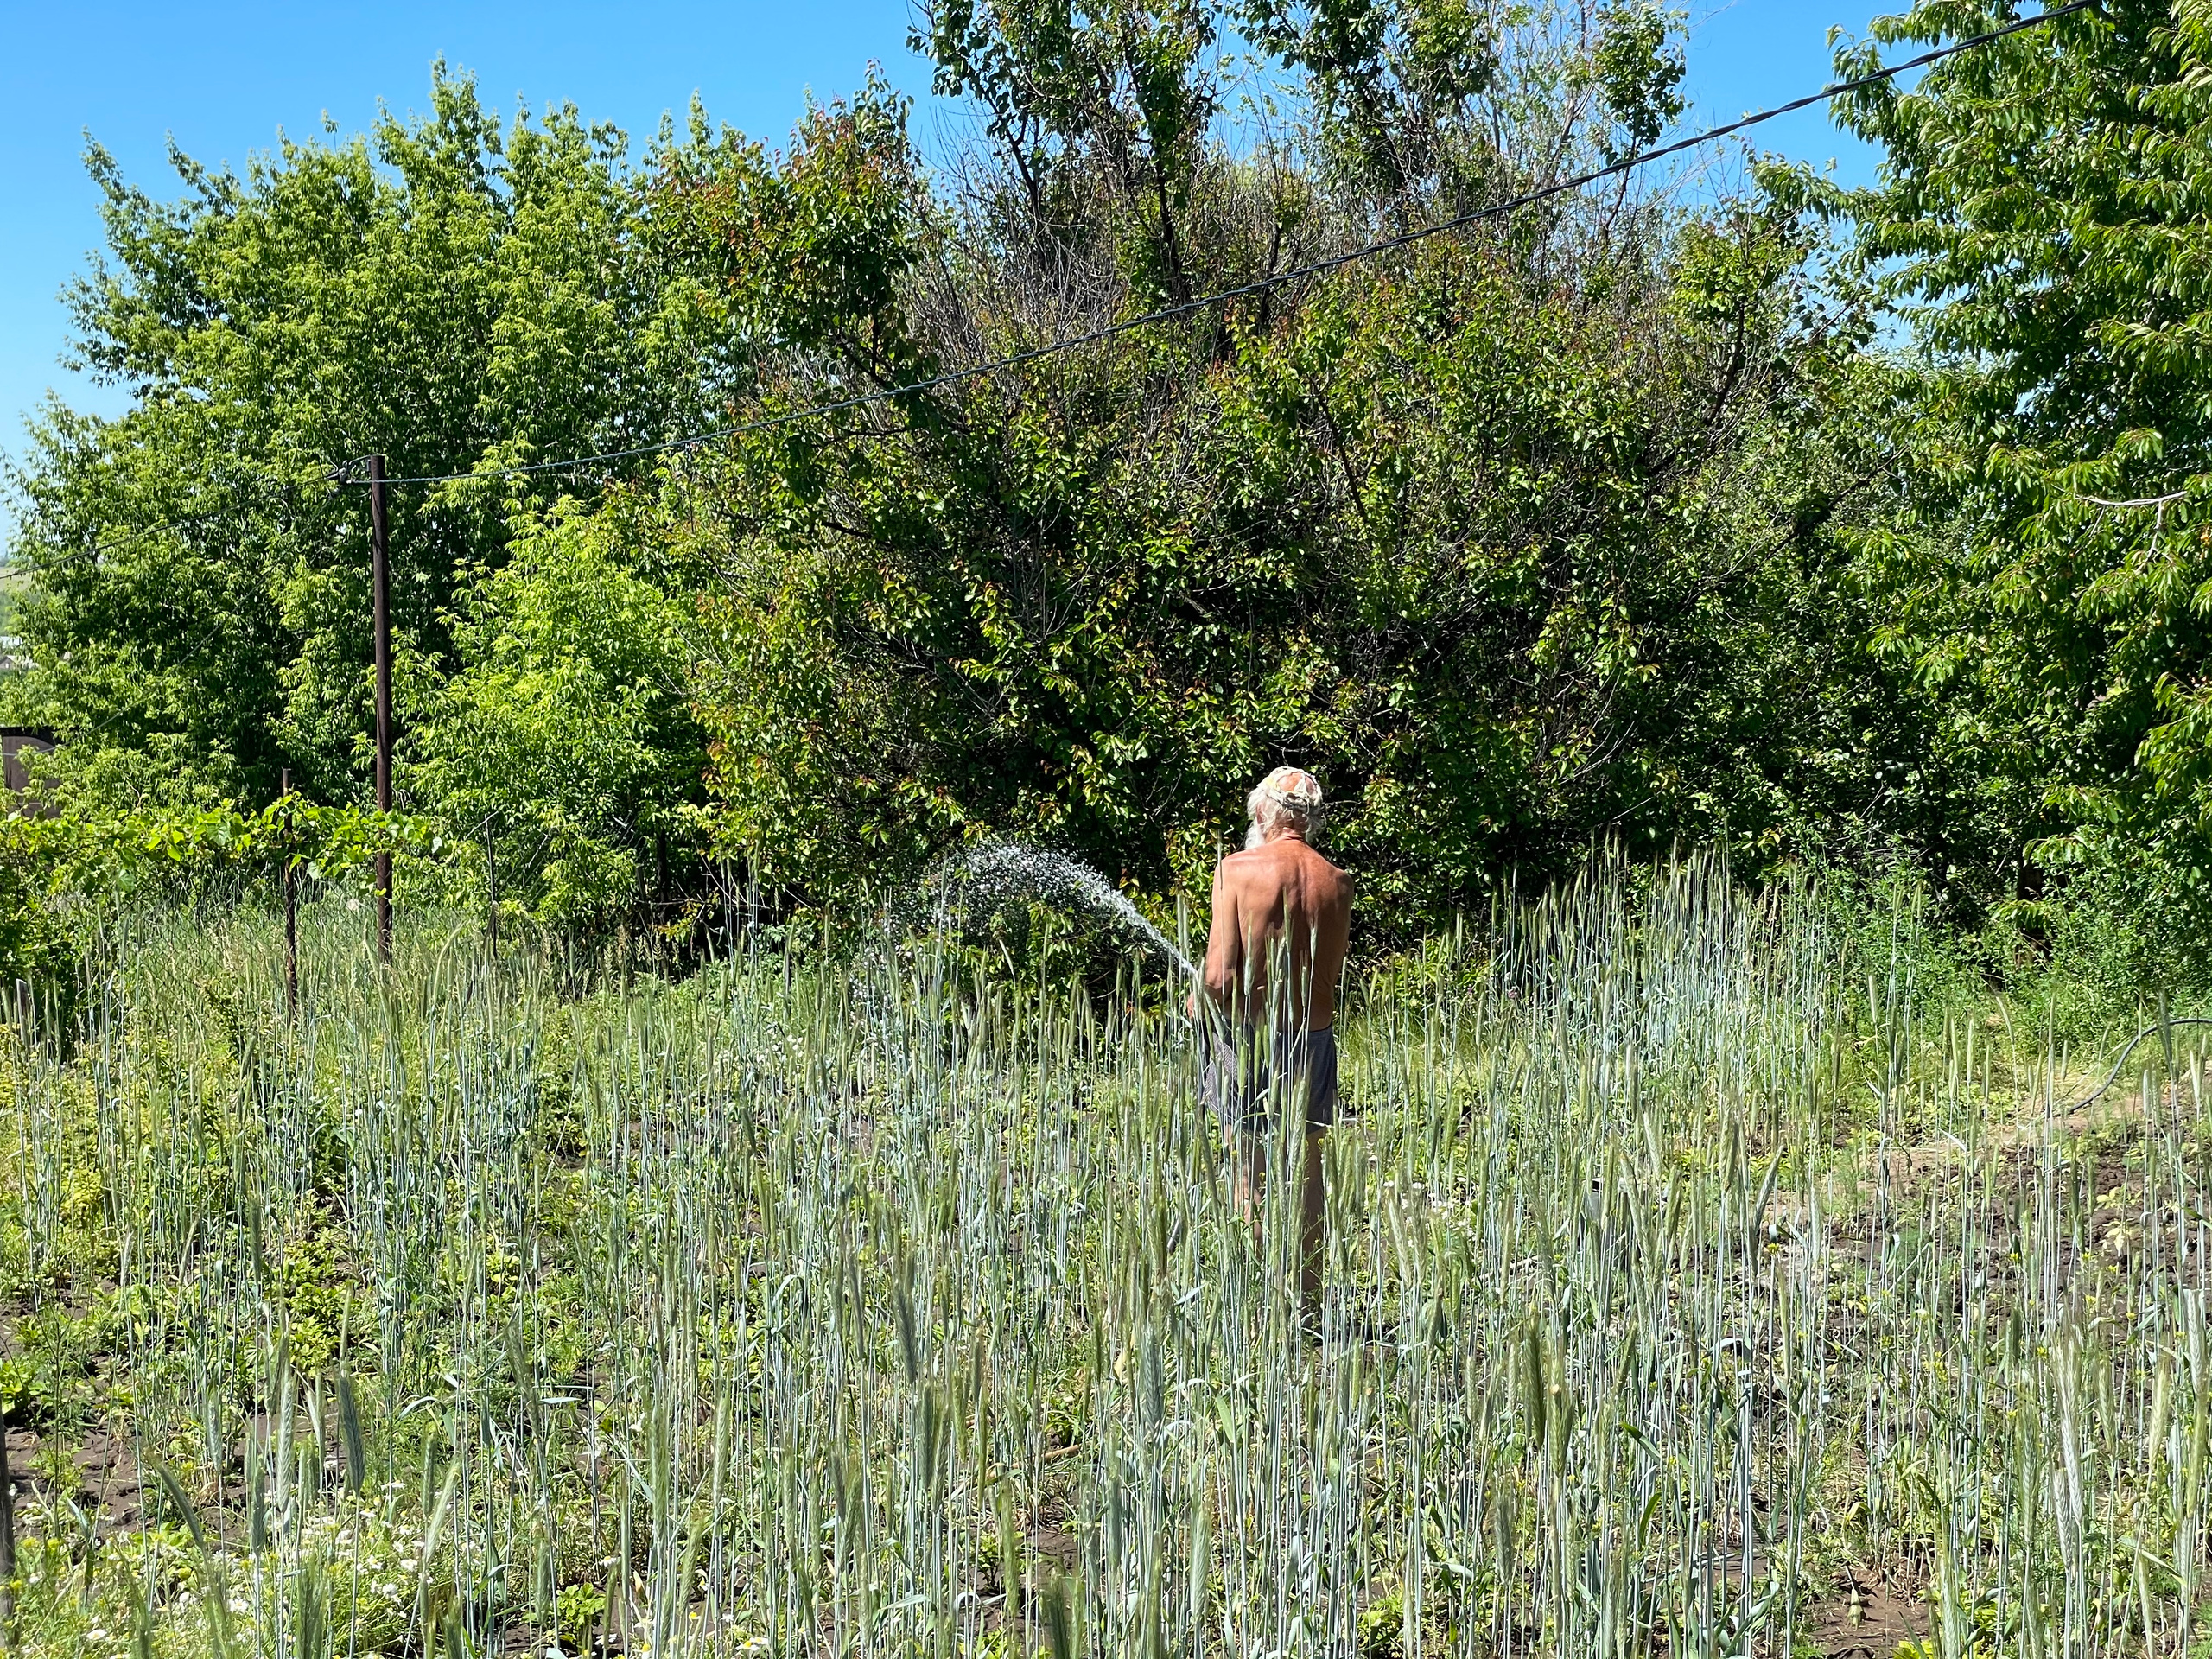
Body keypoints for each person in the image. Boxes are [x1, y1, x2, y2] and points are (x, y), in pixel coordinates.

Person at [1200, 766, 1352, 1324]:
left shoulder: (1239, 870)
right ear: (1310, 820)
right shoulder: (1337, 881)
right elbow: (1328, 973)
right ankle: (1308, 1308)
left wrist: (1198, 1006)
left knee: (1251, 1167)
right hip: (1314, 1036)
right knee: (1308, 1170)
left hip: (1254, 1039)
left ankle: (1258, 1313)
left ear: (1265, 811)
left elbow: (1218, 979)